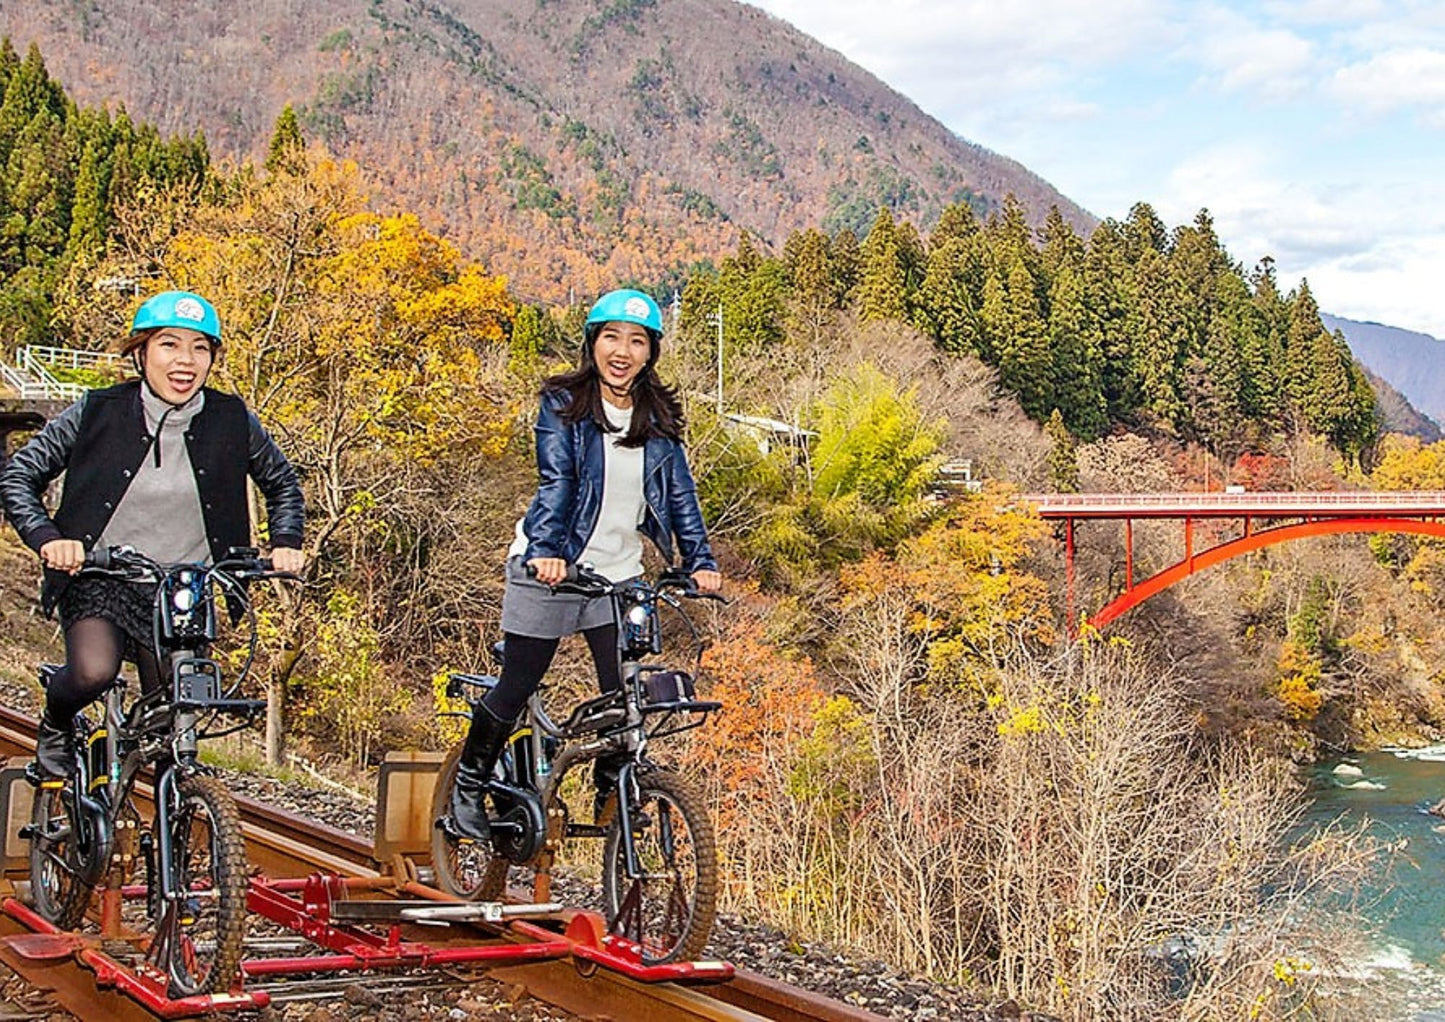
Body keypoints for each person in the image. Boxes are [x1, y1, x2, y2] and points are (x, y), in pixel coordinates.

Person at [446, 288, 721, 841]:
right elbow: (559, 479)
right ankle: (468, 785)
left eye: (637, 340)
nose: (622, 351)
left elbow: (681, 496)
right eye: (611, 337)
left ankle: (611, 786)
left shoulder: (660, 420)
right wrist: (547, 550)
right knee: (518, 682)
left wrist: (700, 560)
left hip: (618, 575)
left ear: (651, 352)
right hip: (553, 567)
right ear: (592, 343)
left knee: (626, 692)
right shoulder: (562, 404)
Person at [0, 290, 305, 777]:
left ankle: (167, 831)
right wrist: (47, 538)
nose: (185, 360)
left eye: (200, 348)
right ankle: (56, 720)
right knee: (93, 672)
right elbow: (18, 476)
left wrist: (286, 543)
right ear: (141, 352)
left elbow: (283, 483)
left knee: (174, 722)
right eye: (169, 344)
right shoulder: (96, 410)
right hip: (102, 575)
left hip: (186, 587)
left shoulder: (232, 419)